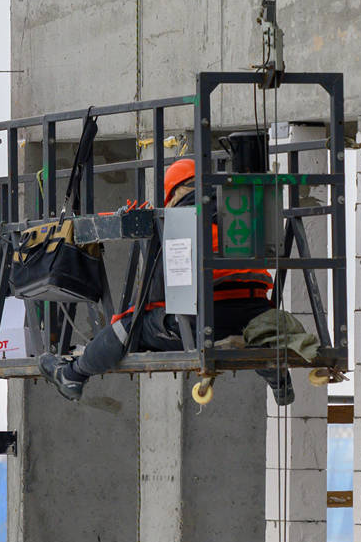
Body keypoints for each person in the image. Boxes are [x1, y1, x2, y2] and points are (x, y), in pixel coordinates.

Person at [37, 156, 291, 404]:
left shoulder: (181, 221)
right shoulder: (241, 216)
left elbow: (157, 295)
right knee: (253, 331)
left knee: (131, 325)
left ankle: (72, 374)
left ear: (174, 192)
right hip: (259, 317)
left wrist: (126, 319)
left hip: (206, 324)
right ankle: (279, 381)